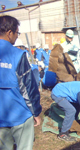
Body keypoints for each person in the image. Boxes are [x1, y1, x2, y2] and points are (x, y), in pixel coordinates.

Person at [0, 15, 42, 150]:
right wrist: (36, 112)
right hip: (19, 115)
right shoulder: (17, 55)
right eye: (17, 33)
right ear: (9, 32)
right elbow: (28, 87)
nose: (17, 36)